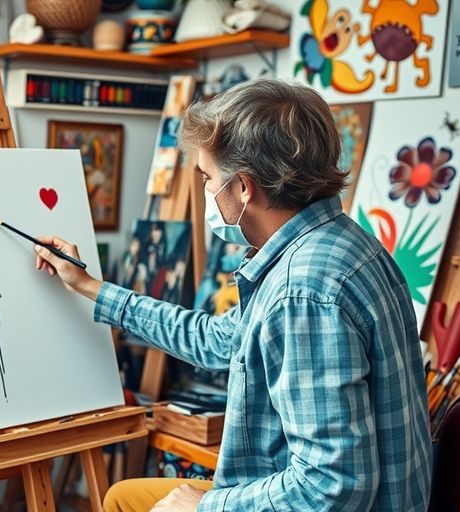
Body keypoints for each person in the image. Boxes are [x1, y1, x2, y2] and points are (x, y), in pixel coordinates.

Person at [33, 78, 431, 511]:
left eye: (207, 177)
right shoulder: (342, 241)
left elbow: (332, 485)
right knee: (123, 496)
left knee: (126, 502)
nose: (206, 190)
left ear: (243, 187)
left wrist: (204, 508)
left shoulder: (301, 293)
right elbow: (218, 340)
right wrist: (90, 287)